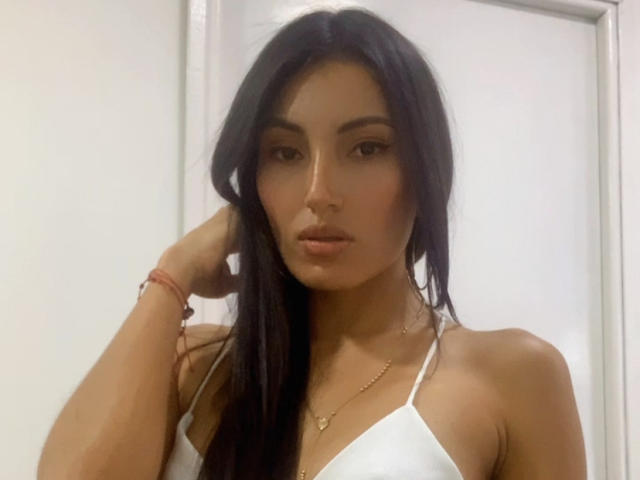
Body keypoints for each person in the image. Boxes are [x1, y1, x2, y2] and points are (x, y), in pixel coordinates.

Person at [38, 7, 587, 480]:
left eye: (367, 148)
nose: (319, 193)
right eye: (285, 152)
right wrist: (173, 274)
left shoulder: (512, 377)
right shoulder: (197, 368)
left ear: (425, 170)